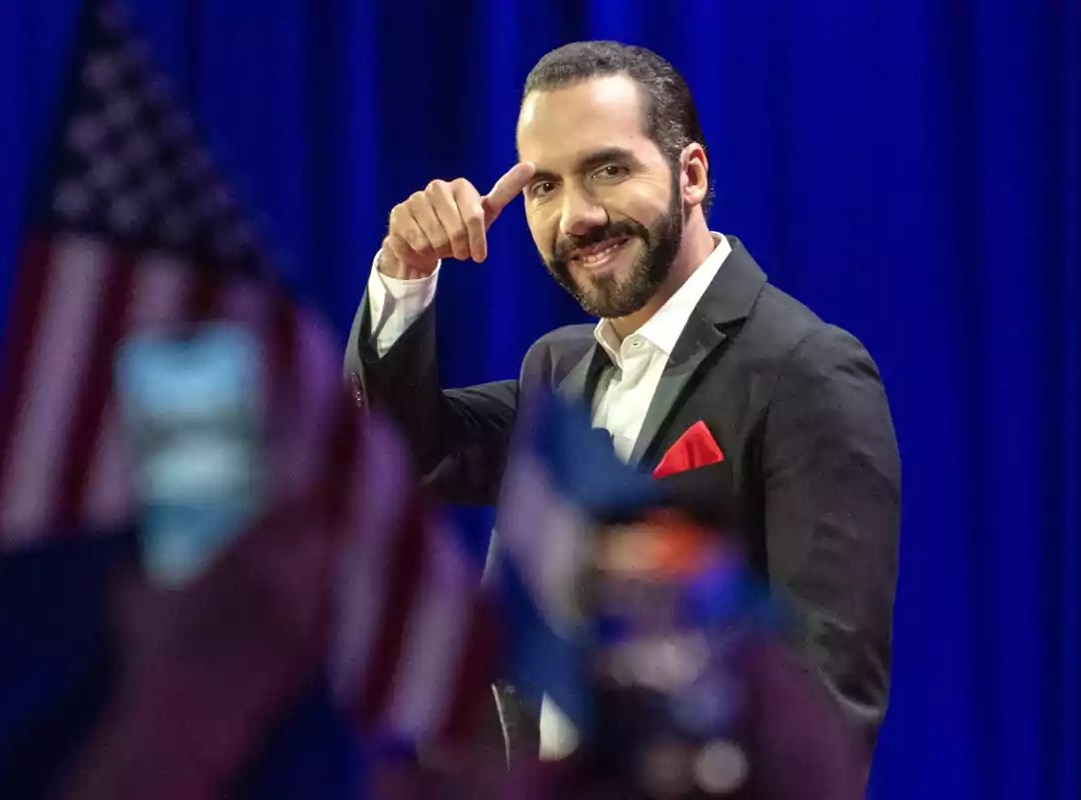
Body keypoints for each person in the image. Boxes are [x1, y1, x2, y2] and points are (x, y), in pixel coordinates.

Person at [343, 40, 901, 765]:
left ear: (691, 173)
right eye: (545, 186)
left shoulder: (808, 371)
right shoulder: (559, 367)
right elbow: (402, 455)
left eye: (608, 169)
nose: (577, 215)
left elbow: (825, 713)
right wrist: (404, 274)